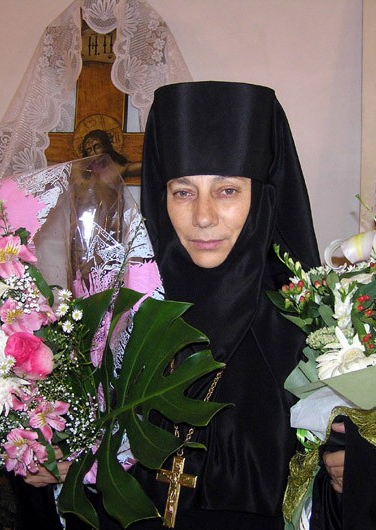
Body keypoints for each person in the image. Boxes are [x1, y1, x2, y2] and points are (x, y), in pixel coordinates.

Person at [93, 80, 321, 529]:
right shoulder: (124, 317)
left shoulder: (308, 334)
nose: (202, 216)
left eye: (227, 191)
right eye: (183, 192)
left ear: (263, 196)